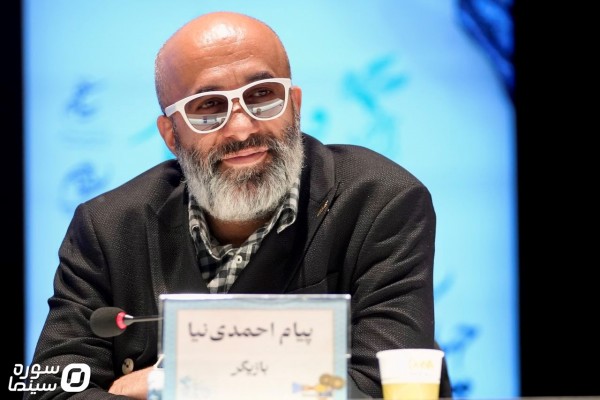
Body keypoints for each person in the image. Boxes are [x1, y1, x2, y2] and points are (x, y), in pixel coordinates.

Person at [25, 11, 443, 399]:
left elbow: (384, 386)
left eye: (262, 95)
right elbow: (50, 387)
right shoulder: (108, 226)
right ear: (170, 134)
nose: (242, 129)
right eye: (208, 107)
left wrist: (169, 382)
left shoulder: (381, 201)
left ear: (295, 106)